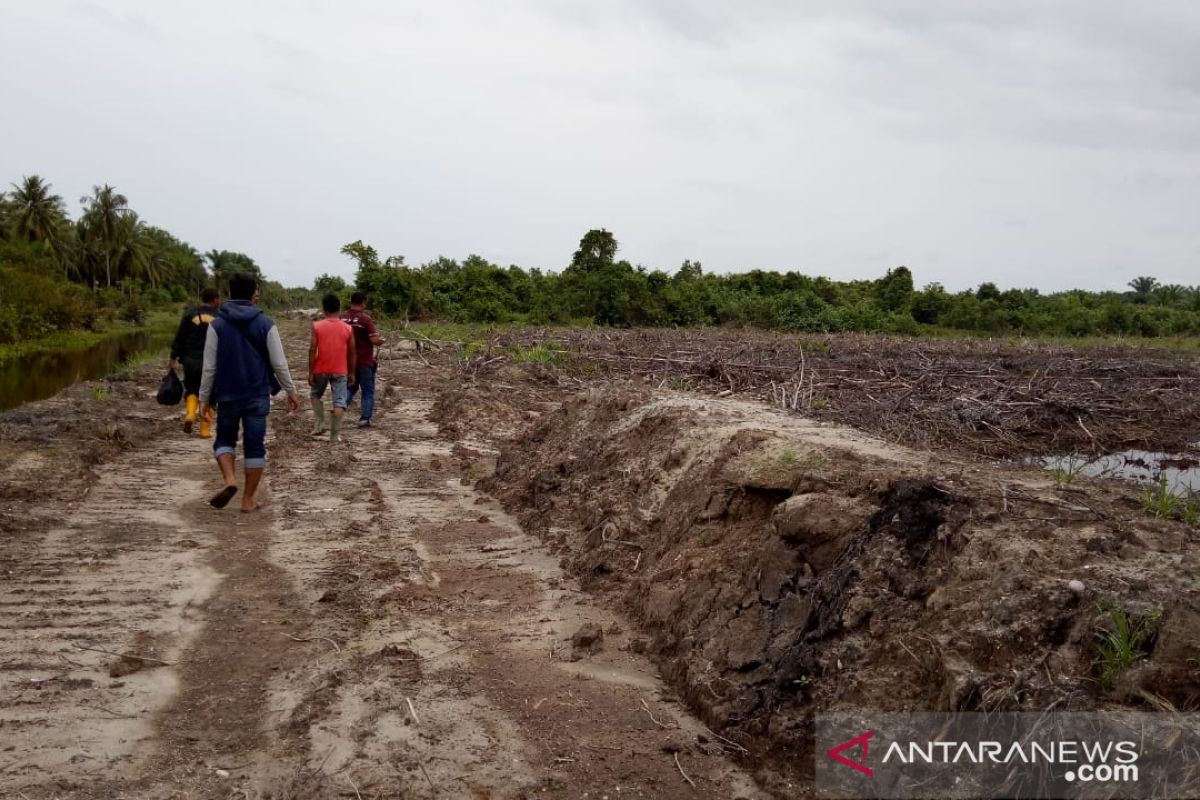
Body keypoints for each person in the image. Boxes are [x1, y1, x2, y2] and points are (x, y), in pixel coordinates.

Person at [197, 273, 300, 511]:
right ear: (252, 293)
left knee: (224, 440)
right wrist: (291, 391)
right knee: (255, 446)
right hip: (257, 394)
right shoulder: (266, 322)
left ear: (230, 293)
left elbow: (209, 366)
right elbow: (279, 363)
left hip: (227, 395)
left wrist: (203, 398)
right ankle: (248, 500)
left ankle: (231, 481)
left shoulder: (217, 324)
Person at [169, 287, 220, 437]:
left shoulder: (189, 314)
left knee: (191, 389)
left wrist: (173, 357)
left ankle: (190, 414)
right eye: (219, 299)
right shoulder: (220, 317)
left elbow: (180, 337)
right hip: (211, 363)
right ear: (215, 299)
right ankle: (204, 430)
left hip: (190, 361)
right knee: (210, 395)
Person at [308, 294, 355, 443]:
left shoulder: (317, 326)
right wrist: (352, 372)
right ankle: (334, 436)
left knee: (315, 395)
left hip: (321, 368)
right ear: (339, 308)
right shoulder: (348, 328)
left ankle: (319, 425)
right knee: (340, 402)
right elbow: (352, 352)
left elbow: (312, 349)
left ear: (324, 309)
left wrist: (310, 372)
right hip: (340, 370)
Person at [340, 292, 384, 428]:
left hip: (346, 361)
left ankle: (338, 409)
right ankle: (365, 418)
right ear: (363, 303)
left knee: (350, 387)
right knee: (367, 390)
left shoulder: (341, 319)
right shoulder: (365, 320)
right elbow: (374, 340)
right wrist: (381, 340)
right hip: (364, 361)